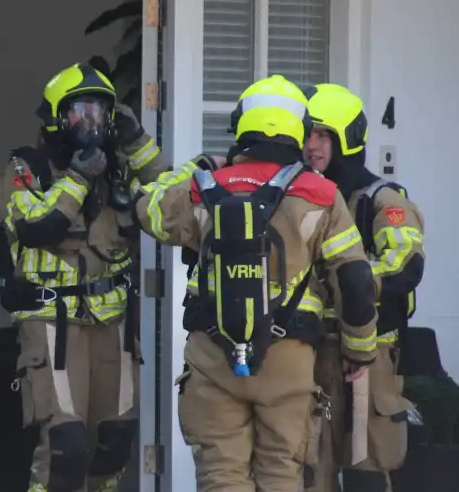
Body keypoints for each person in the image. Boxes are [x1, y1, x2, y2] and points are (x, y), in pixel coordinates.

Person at [134, 74, 380, 492]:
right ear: (298, 131)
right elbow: (355, 279)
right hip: (289, 359)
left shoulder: (204, 188)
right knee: (283, 474)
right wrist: (359, 349)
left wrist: (198, 167)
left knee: (221, 476)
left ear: (241, 124)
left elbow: (148, 210)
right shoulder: (321, 194)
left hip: (212, 358)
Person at [0, 61, 166, 492]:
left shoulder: (119, 169)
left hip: (114, 327)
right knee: (64, 448)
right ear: (56, 117)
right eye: (79, 111)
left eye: (99, 112)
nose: (90, 122)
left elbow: (171, 199)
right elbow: (37, 224)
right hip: (51, 324)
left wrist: (138, 143)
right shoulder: (24, 169)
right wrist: (77, 177)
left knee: (114, 443)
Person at [304, 83, 425, 492]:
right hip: (312, 354)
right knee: (309, 473)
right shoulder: (304, 200)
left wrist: (350, 284)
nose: (312, 145)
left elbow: (405, 266)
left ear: (347, 139)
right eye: (307, 134)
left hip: (368, 362)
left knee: (366, 476)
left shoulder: (382, 199)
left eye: (323, 135)